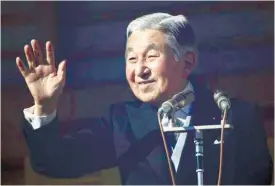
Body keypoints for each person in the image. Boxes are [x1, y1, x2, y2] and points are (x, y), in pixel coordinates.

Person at [16, 13, 273, 185]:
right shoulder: (121, 121)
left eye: (150, 56)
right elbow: (54, 162)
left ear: (188, 62)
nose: (139, 70)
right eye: (131, 59)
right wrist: (45, 107)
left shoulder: (235, 117)